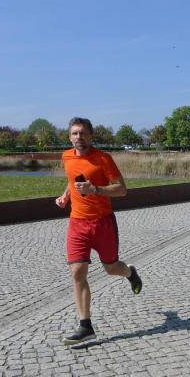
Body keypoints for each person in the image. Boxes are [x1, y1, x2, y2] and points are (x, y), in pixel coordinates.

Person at [55, 117, 143, 346]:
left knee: (111, 268)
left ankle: (130, 273)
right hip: (77, 223)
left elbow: (122, 189)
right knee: (77, 272)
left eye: (83, 133)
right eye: (75, 133)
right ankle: (85, 326)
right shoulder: (66, 156)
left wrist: (95, 189)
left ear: (91, 136)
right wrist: (66, 195)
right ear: (69, 137)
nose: (79, 137)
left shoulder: (103, 158)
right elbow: (72, 179)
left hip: (103, 223)